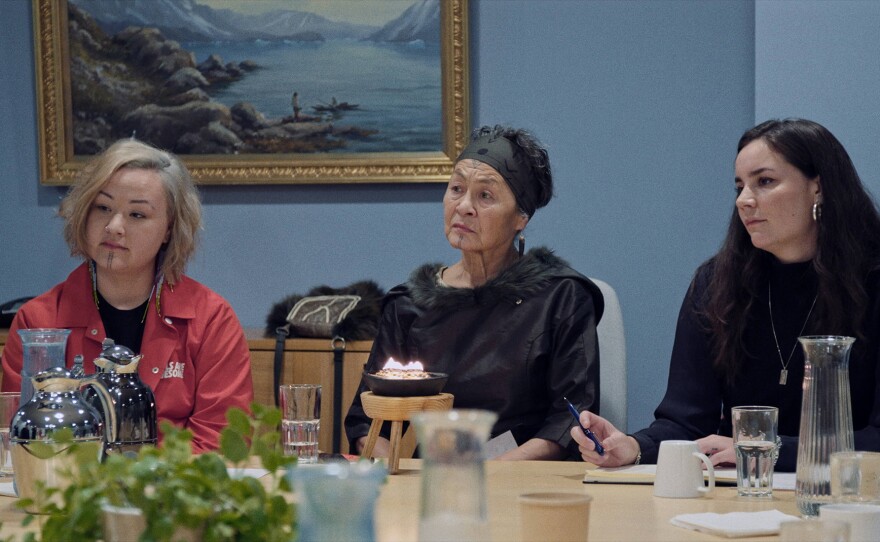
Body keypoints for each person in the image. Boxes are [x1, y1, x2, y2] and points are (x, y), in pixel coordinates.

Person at [571, 118, 880, 471]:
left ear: (819, 188)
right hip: (737, 498)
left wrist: (769, 449)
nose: (745, 201)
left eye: (765, 182)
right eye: (740, 187)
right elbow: (686, 422)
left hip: (854, 499)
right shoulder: (717, 283)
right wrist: (631, 446)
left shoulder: (872, 280)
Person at [344, 125, 604, 460]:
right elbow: (367, 422)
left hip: (524, 480)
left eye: (485, 196)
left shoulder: (561, 297)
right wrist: (395, 475)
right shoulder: (409, 304)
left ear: (521, 218)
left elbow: (569, 421)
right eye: (456, 189)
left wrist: (483, 476)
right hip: (434, 482)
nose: (464, 206)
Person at [2, 139, 253, 453]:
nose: (114, 226)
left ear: (168, 229)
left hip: (174, 497)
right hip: (71, 496)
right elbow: (22, 443)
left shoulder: (211, 319)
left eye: (137, 215)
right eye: (103, 208)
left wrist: (141, 484)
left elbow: (223, 444)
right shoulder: (38, 322)